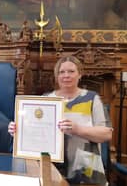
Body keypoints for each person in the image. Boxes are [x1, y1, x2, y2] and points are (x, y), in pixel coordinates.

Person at [8, 56, 113, 185]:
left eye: (71, 71)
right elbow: (34, 130)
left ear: (80, 74)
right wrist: (19, 130)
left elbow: (106, 134)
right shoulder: (46, 99)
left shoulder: (92, 98)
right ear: (56, 76)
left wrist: (78, 129)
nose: (66, 75)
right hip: (51, 170)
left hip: (86, 171)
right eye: (61, 72)